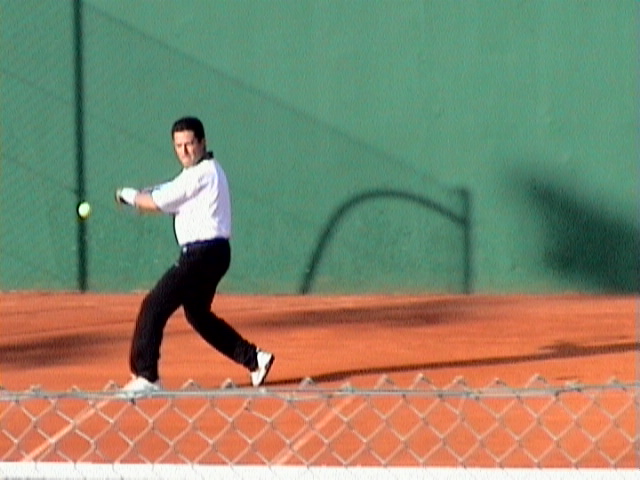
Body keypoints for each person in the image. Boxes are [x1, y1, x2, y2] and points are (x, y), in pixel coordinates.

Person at [115, 116, 274, 392]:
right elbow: (166, 191)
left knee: (154, 305)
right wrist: (143, 195)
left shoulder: (204, 173)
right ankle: (255, 359)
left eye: (190, 144)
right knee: (198, 315)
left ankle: (147, 376)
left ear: (202, 143)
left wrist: (129, 196)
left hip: (202, 255)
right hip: (212, 255)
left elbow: (159, 202)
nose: (185, 151)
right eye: (179, 146)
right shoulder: (194, 174)